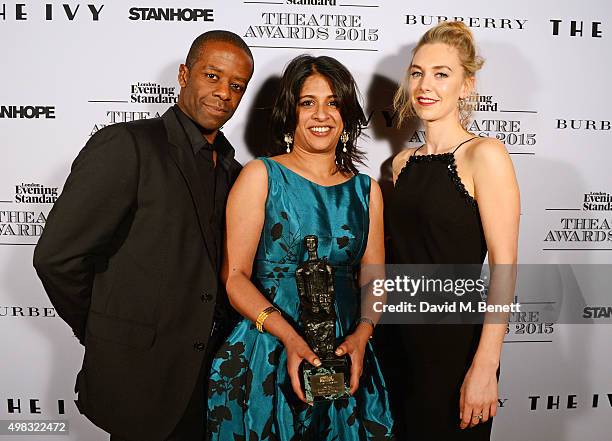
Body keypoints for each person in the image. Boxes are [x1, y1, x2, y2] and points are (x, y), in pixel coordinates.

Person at [33, 30, 254, 441]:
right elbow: (56, 259)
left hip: (210, 384)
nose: (223, 92)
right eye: (212, 76)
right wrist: (106, 330)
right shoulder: (128, 145)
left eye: (236, 85)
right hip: (141, 380)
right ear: (184, 75)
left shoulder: (235, 173)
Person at [206, 55, 395, 440]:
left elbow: (374, 279)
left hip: (345, 355)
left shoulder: (366, 191)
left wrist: (362, 335)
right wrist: (290, 338)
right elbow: (235, 277)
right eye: (308, 102)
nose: (320, 114)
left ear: (345, 115)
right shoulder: (260, 176)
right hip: (266, 352)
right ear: (290, 112)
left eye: (333, 102)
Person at [382, 21, 520, 440]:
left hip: (454, 346)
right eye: (418, 72)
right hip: (395, 342)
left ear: (466, 85)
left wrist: (484, 365)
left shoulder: (486, 155)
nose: (426, 84)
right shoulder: (399, 165)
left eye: (442, 73)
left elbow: (505, 267)